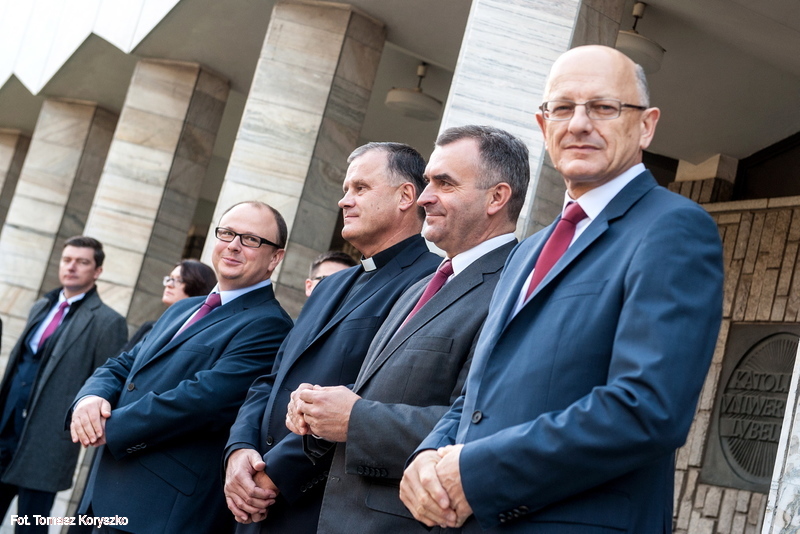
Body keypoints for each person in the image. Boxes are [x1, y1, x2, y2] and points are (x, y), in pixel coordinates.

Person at [400, 45, 725, 533]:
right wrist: (427, 457)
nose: (578, 124)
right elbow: (479, 394)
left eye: (603, 107)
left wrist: (476, 472)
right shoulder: (528, 251)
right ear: (543, 124)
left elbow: (647, 408)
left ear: (646, 125)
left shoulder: (674, 229)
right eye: (563, 108)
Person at [286, 125, 530, 533]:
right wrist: (319, 413)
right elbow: (381, 391)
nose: (424, 197)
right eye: (428, 182)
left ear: (497, 197)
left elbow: (484, 422)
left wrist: (355, 419)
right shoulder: (421, 287)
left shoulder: (516, 289)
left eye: (444, 183)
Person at [223, 142, 440, 533]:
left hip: (318, 506)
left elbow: (379, 392)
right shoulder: (330, 285)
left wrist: (275, 473)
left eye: (360, 188)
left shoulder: (430, 281)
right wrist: (239, 450)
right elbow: (272, 379)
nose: (344, 200)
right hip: (254, 498)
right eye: (345, 190)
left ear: (406, 196)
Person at [69, 201, 294, 534]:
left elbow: (203, 400)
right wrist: (90, 398)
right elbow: (125, 363)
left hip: (160, 512)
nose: (233, 245)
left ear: (275, 257)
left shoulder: (269, 325)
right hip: (104, 495)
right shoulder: (182, 308)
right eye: (227, 233)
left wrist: (110, 426)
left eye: (250, 239)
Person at [0, 236, 127, 532]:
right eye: (67, 260)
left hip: (47, 444)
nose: (71, 267)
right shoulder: (41, 306)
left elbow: (107, 381)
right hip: (5, 430)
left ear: (97, 271)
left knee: (30, 526)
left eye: (82, 262)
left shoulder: (108, 322)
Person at [121, 259, 217, 352]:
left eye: (179, 280)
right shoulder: (149, 327)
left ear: (197, 286)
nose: (169, 285)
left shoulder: (199, 335)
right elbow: (122, 359)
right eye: (170, 279)